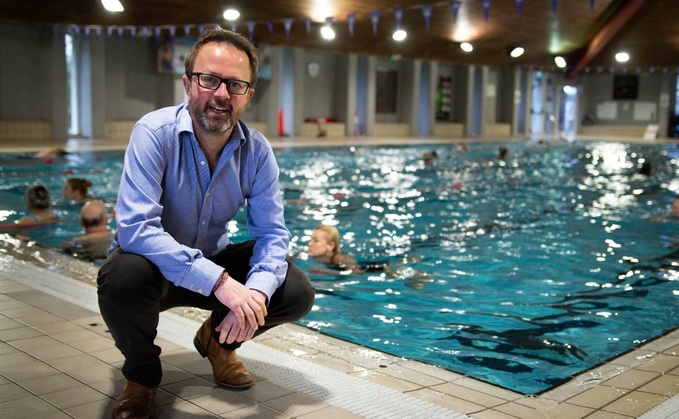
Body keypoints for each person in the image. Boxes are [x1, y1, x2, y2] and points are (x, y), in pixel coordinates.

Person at [97, 28, 315, 419]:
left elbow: (273, 234)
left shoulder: (258, 152)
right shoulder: (154, 133)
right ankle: (142, 377)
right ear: (187, 83)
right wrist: (221, 284)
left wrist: (257, 296)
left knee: (294, 289)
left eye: (235, 84)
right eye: (209, 79)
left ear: (248, 95)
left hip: (212, 259)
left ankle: (218, 342)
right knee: (122, 276)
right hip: (155, 272)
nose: (220, 94)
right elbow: (136, 229)